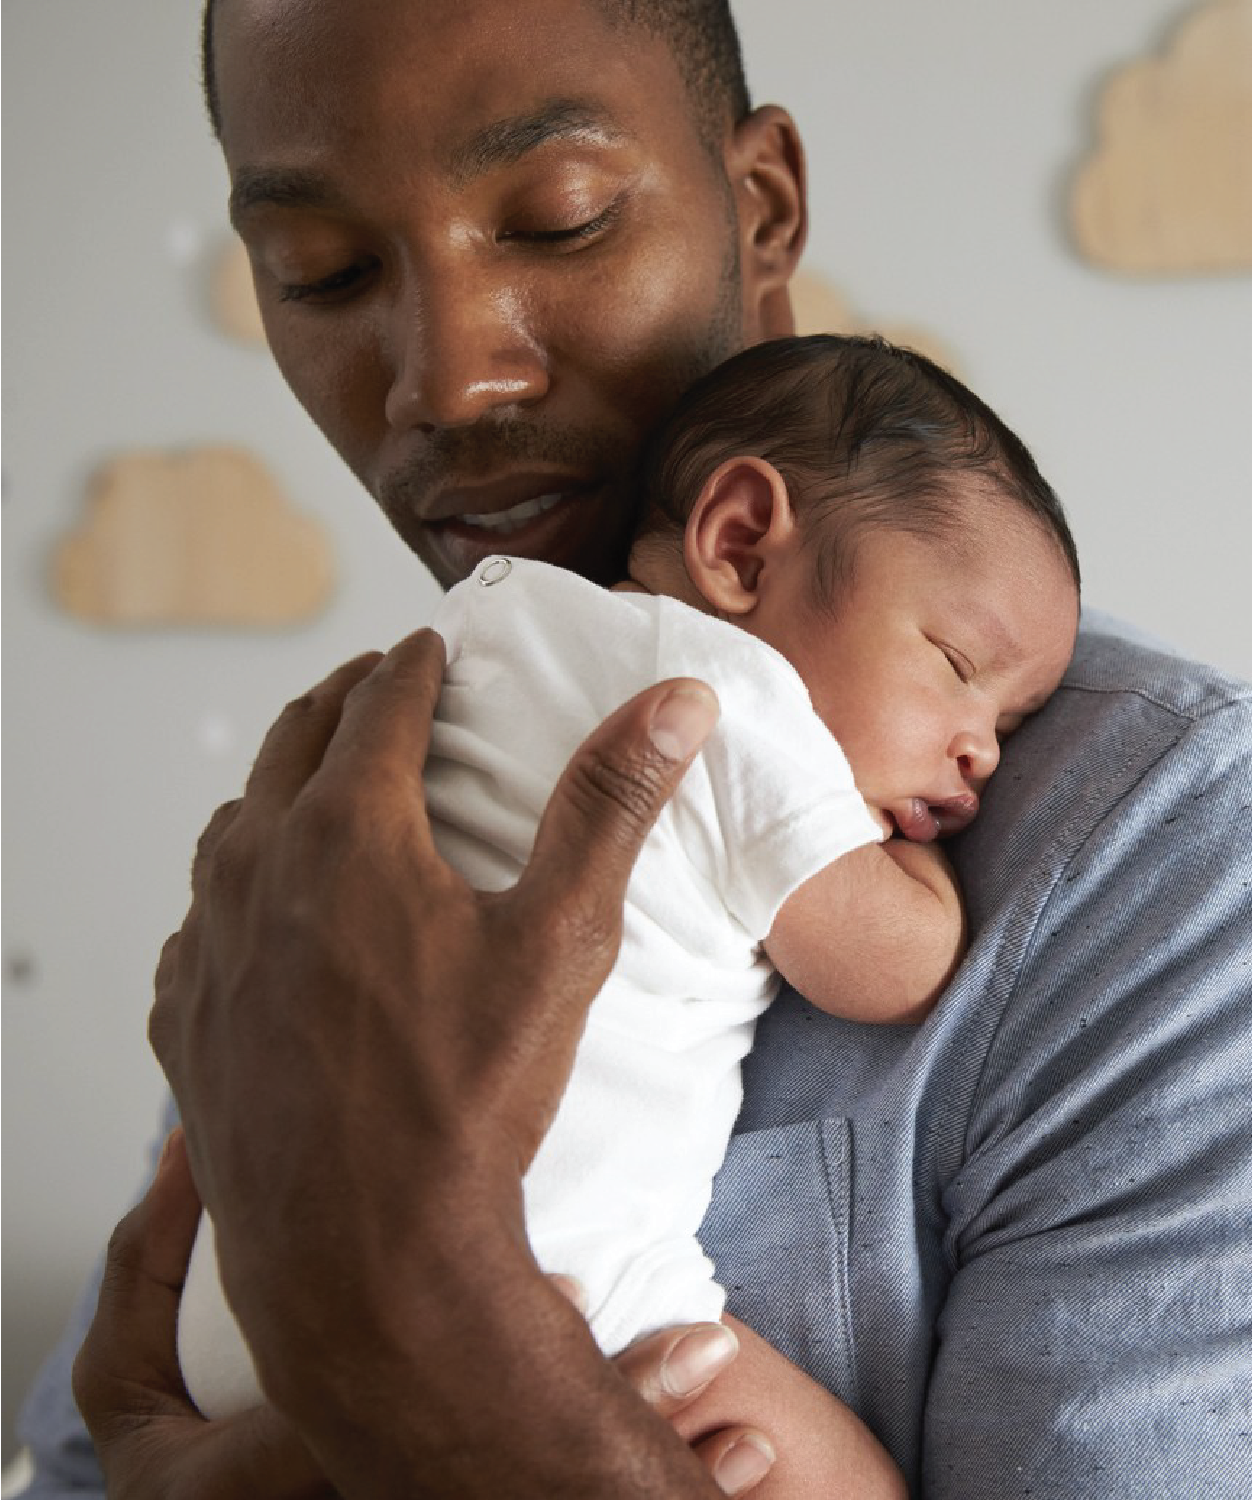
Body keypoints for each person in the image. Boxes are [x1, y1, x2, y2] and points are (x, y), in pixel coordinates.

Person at [16, 0, 1252, 1495]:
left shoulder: (1185, 850)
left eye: (562, 221)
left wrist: (453, 1371)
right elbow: (103, 1451)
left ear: (762, 209)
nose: (449, 377)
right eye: (323, 273)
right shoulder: (353, 814)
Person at [173, 334, 1081, 1459]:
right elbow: (893, 969)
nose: (982, 753)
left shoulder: (483, 629)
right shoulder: (732, 699)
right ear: (741, 544)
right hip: (552, 1294)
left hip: (236, 1308)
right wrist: (913, 863)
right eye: (956, 664)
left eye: (1007, 727)